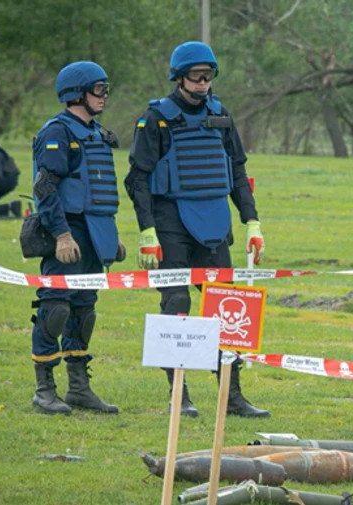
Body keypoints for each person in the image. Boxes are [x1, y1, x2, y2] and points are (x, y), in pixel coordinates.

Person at [125, 41, 269, 419]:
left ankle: (232, 396)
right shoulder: (155, 119)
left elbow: (238, 171)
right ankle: (180, 394)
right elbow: (137, 178)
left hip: (214, 220)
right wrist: (147, 231)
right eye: (196, 76)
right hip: (170, 221)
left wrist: (251, 221)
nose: (204, 83)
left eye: (209, 76)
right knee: (177, 303)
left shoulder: (222, 115)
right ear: (178, 77)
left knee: (227, 307)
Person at [28, 61, 125, 415]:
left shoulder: (97, 133)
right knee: (55, 307)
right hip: (64, 231)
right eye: (98, 89)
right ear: (76, 93)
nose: (104, 96)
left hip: (94, 233)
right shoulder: (57, 132)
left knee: (84, 310)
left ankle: (79, 389)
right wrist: (62, 235)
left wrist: (111, 238)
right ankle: (44, 389)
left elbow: (97, 192)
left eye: (105, 88)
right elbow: (45, 188)